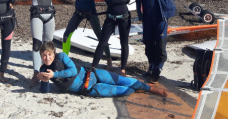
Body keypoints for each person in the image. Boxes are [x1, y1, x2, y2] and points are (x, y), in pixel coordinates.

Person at [38, 41, 167, 97]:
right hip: (89, 89)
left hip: (93, 75)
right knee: (125, 92)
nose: (47, 57)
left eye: (49, 54)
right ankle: (139, 88)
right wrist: (43, 79)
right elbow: (44, 91)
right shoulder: (44, 69)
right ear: (41, 56)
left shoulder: (61, 56)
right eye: (44, 55)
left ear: (53, 54)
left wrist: (54, 74)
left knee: (123, 81)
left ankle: (151, 88)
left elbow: (72, 71)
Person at [61, 0, 112, 70]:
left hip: (90, 11)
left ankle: (109, 60)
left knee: (101, 37)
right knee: (66, 34)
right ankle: (65, 58)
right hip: (78, 11)